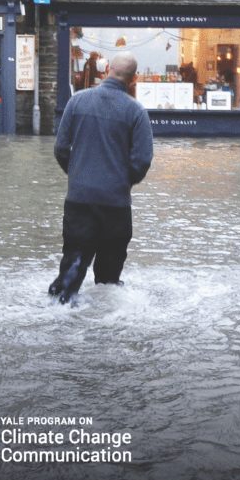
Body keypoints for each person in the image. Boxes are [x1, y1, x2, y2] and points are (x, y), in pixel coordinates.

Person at [48, 52, 154, 304]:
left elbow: (60, 149)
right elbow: (142, 161)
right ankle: (105, 335)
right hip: (116, 205)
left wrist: (76, 176)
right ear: (134, 77)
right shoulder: (136, 112)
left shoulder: (77, 102)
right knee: (109, 279)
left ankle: (59, 308)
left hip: (79, 199)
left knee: (73, 263)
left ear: (106, 69)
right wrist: (121, 183)